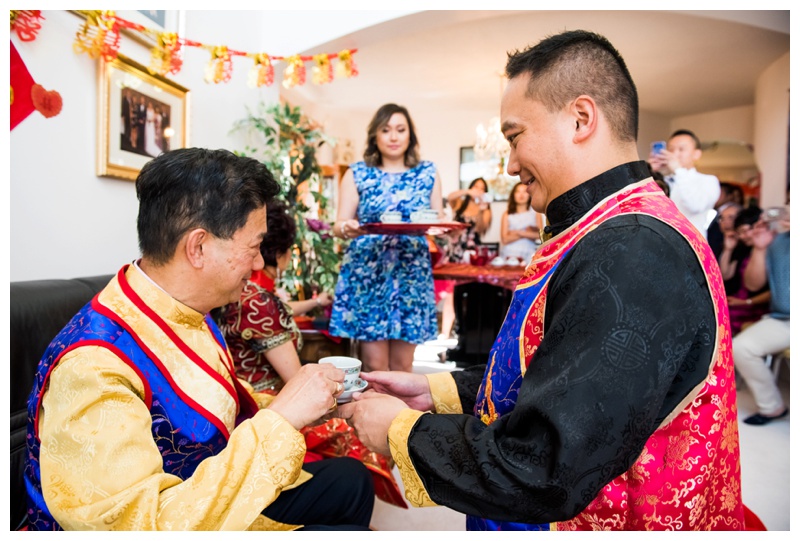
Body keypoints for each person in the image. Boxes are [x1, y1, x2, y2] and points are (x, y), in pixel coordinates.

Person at [337, 30, 744, 531]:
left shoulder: (635, 248)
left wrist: (402, 429)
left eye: (514, 136)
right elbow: (563, 376)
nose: (509, 165)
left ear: (580, 119)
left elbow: (544, 467)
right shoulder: (604, 226)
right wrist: (435, 392)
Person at [24, 148, 374, 531]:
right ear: (199, 247)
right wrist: (281, 418)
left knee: (352, 481)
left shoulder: (180, 306)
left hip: (202, 486)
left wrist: (306, 405)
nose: (259, 264)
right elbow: (139, 525)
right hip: (173, 515)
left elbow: (216, 401)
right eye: (254, 247)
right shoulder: (93, 367)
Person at [214, 199, 405, 507]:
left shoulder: (241, 289)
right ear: (281, 253)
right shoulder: (260, 299)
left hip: (239, 394)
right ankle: (346, 503)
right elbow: (295, 378)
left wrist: (316, 302)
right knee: (365, 422)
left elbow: (280, 309)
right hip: (269, 402)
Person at [329, 103, 443, 373]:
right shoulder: (357, 173)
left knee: (404, 366)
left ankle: (402, 417)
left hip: (411, 273)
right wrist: (349, 228)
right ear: (375, 136)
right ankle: (372, 415)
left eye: (400, 130)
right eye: (386, 130)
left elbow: (436, 221)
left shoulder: (427, 173)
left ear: (410, 136)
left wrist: (448, 230)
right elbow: (339, 224)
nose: (393, 137)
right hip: (369, 273)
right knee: (374, 365)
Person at [733, 209, 790, 425]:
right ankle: (772, 407)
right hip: (784, 318)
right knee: (741, 347)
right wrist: (759, 248)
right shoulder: (777, 242)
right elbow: (753, 284)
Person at [649, 128, 720, 239]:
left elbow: (695, 205)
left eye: (681, 149)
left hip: (692, 244)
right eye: (671, 149)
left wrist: (678, 170)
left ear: (696, 154)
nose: (675, 154)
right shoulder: (661, 180)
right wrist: (648, 173)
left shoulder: (709, 180)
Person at [718, 206, 770, 334]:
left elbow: (772, 291)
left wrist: (745, 302)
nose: (743, 236)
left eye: (745, 231)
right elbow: (725, 275)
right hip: (739, 302)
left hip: (755, 307)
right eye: (739, 232)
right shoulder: (744, 250)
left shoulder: (769, 251)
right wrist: (728, 249)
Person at [499, 180, 542, 263]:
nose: (521, 195)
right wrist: (528, 232)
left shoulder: (535, 213)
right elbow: (505, 239)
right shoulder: (507, 214)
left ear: (529, 194)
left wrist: (518, 233)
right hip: (510, 254)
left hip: (530, 254)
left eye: (524, 192)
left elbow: (540, 235)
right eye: (518, 192)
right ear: (513, 195)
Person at [708, 182, 745, 258]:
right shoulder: (715, 213)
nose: (726, 222)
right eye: (722, 218)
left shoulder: (745, 244)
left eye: (731, 217)